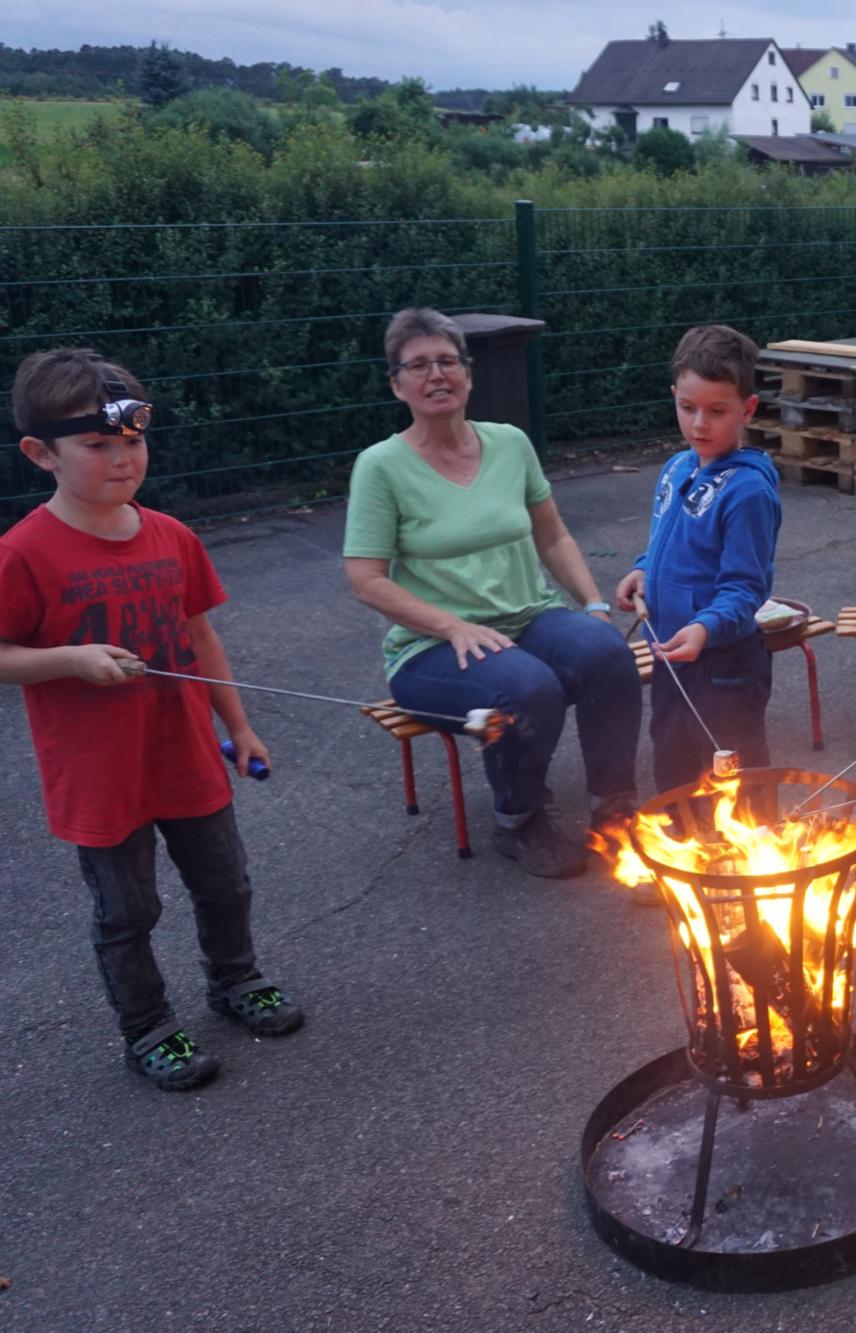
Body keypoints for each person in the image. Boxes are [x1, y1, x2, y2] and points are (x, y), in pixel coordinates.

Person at [1, 349, 304, 1092]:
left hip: (187, 752)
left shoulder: (172, 536)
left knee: (225, 883)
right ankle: (148, 1025)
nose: (120, 459)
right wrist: (68, 660)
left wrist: (239, 726)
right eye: (97, 446)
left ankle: (236, 979)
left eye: (131, 441)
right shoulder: (22, 554)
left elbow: (201, 638)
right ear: (41, 453)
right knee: (129, 908)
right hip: (102, 776)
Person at [344, 308, 640, 878]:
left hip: (528, 618)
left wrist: (595, 606)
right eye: (419, 365)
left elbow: (552, 535)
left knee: (607, 654)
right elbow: (366, 579)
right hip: (430, 649)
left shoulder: (509, 444)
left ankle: (616, 810)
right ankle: (521, 821)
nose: (437, 375)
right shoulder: (380, 467)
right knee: (526, 687)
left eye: (448, 362)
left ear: (469, 374)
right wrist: (452, 626)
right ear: (396, 383)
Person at [614, 325, 781, 796]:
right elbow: (666, 539)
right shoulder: (677, 467)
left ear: (747, 409)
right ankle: (683, 855)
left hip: (726, 663)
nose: (699, 425)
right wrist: (644, 567)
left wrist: (706, 628)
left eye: (717, 411)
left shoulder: (748, 491)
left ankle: (759, 865)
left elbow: (746, 589)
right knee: (674, 763)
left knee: (737, 777)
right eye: (687, 408)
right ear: (674, 396)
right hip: (671, 652)